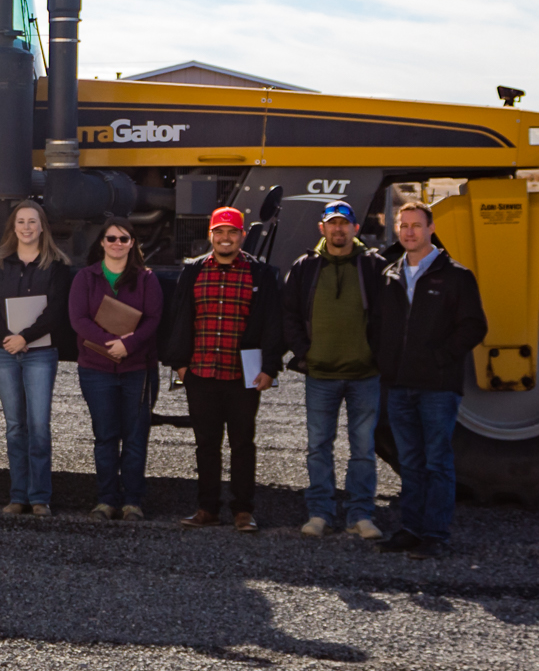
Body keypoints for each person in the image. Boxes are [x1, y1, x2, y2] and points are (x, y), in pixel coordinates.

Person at [374, 200, 488, 560]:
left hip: (437, 387)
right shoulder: (390, 276)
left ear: (431, 228)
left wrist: (440, 357)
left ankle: (435, 534)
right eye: (403, 225)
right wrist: (385, 362)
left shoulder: (455, 276)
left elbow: (474, 326)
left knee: (437, 461)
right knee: (409, 461)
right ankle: (410, 529)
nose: (409, 231)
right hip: (400, 385)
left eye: (416, 225)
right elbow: (377, 327)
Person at [163, 206, 284, 533]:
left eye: (232, 232)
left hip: (242, 376)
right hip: (201, 374)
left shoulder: (260, 274)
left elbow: (273, 324)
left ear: (242, 235)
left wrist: (270, 368)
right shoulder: (193, 271)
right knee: (206, 445)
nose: (225, 237)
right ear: (211, 235)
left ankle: (243, 511)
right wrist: (181, 366)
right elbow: (178, 317)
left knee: (243, 444)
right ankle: (207, 509)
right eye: (220, 231)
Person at [284, 200, 387, 540]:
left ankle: (361, 515)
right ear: (322, 228)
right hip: (321, 375)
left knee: (362, 449)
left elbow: (388, 316)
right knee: (318, 447)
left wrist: (376, 354)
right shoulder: (305, 267)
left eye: (344, 224)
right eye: (332, 223)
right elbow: (290, 316)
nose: (338, 229)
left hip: (364, 374)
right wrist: (306, 353)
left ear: (355, 229)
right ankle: (320, 513)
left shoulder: (374, 266)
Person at [0, 200, 73, 517]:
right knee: (14, 426)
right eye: (21, 221)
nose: (26, 227)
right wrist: (9, 338)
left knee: (38, 425)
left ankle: (40, 497)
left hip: (40, 353)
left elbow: (57, 311)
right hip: (3, 351)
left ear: (42, 227)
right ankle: (18, 495)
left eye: (33, 221)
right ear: (13, 227)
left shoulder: (58, 267)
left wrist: (25, 338)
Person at [69, 215, 163, 522]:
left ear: (133, 243)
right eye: (111, 238)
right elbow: (78, 319)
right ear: (101, 242)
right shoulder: (85, 277)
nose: (117, 244)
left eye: (124, 239)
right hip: (96, 369)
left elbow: (153, 319)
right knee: (105, 436)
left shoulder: (147, 278)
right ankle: (106, 500)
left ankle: (132, 501)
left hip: (137, 368)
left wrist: (129, 345)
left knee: (136, 437)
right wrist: (111, 343)